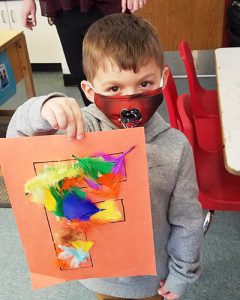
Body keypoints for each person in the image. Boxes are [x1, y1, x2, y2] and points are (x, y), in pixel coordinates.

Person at [7, 13, 204, 300]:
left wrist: (182, 274)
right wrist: (45, 108)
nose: (131, 97)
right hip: (98, 274)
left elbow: (187, 220)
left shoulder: (176, 147)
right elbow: (18, 140)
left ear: (163, 78)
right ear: (89, 90)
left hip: (153, 280)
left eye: (145, 84)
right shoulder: (78, 131)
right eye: (114, 88)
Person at [21, 0, 148, 106]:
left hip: (106, 7)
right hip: (63, 8)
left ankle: (132, 125)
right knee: (82, 76)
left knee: (122, 72)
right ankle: (102, 127)